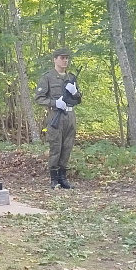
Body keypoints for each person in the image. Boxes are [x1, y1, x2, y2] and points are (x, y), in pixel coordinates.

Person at [33, 48, 81, 189]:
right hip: (55, 115)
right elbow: (39, 98)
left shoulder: (71, 78)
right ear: (55, 59)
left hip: (70, 116)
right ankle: (54, 179)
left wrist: (75, 93)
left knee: (67, 147)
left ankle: (63, 177)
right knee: (56, 147)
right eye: (62, 58)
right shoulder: (47, 77)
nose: (65, 60)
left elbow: (78, 100)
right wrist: (55, 103)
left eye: (66, 58)